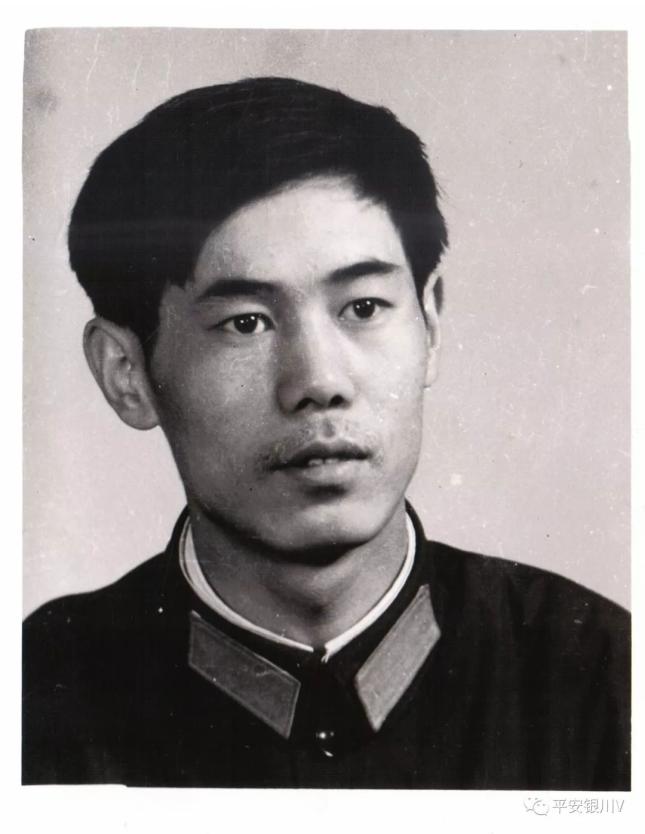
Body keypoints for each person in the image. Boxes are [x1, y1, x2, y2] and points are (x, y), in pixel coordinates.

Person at [22, 77, 630, 789]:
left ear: (431, 325)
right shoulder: (35, 698)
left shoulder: (604, 677)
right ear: (126, 373)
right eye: (246, 323)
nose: (318, 381)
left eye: (363, 308)